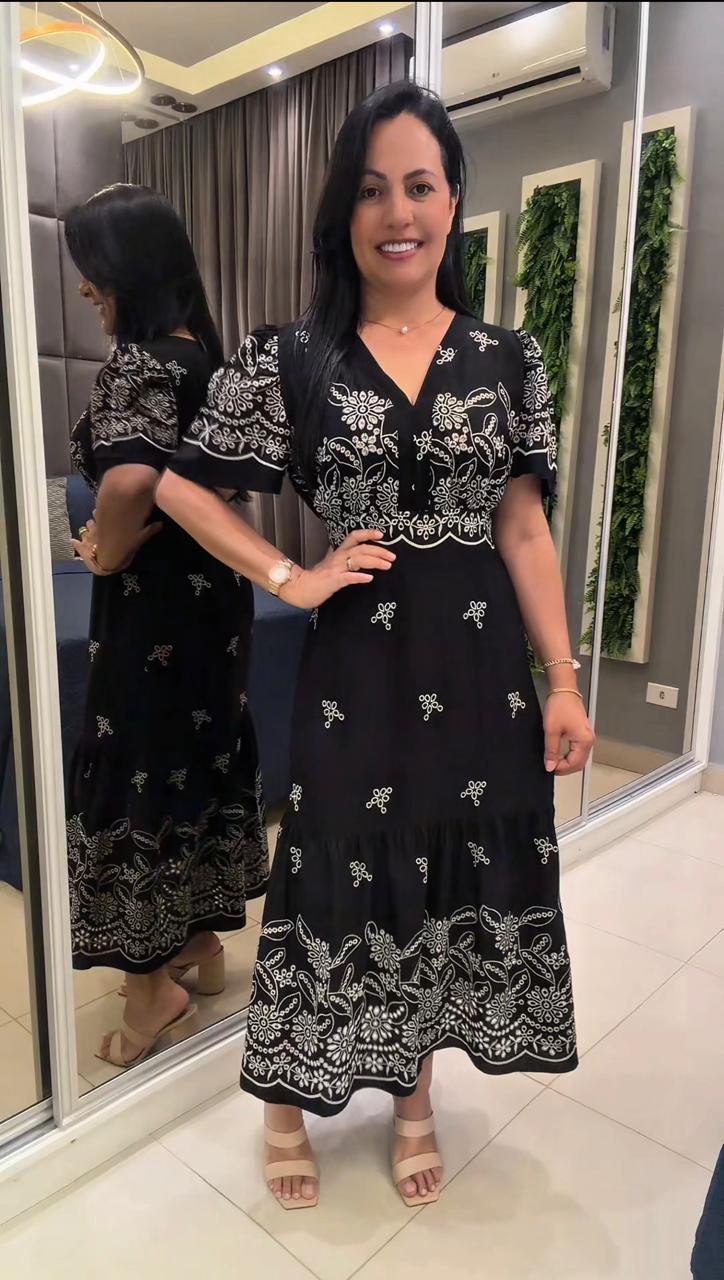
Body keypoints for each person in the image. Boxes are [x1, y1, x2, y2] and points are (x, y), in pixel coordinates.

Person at [156, 81, 594, 1209]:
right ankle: (285, 1106)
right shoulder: (294, 355)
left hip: (481, 672)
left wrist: (561, 679)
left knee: (444, 880)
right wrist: (289, 576)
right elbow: (182, 487)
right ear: (342, 212)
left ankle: (411, 1099)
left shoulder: (507, 356)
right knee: (331, 869)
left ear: (452, 200)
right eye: (370, 190)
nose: (397, 213)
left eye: (419, 186)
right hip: (356, 672)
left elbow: (523, 527)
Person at [66, 184, 269, 1068]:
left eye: (92, 272)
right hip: (214, 606)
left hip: (149, 611)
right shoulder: (208, 362)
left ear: (128, 271)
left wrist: (105, 552)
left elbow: (127, 481)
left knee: (138, 767)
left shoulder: (139, 364)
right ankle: (200, 945)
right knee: (196, 755)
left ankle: (151, 995)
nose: (85, 289)